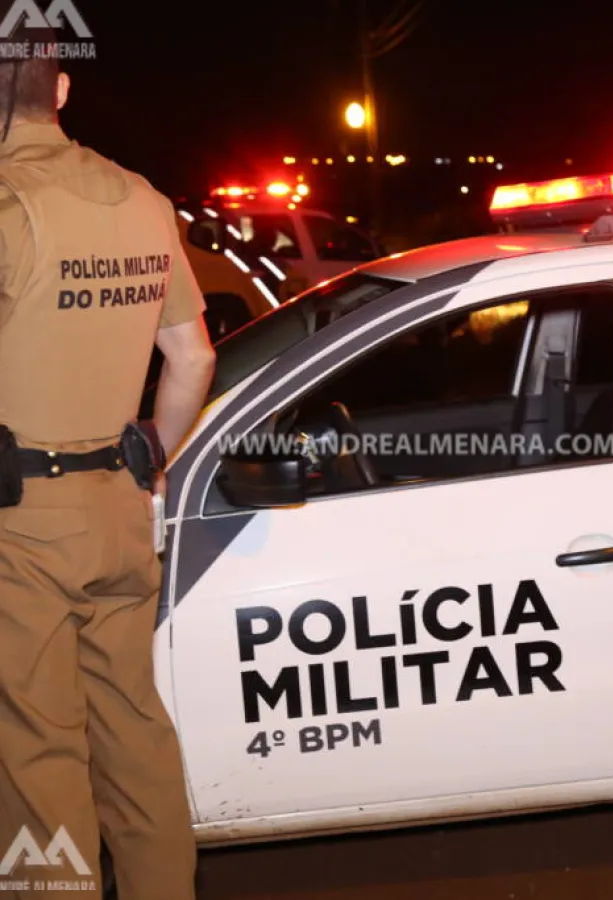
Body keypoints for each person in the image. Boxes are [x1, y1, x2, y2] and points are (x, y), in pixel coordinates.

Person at [0, 24, 215, 900]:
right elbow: (193, 359)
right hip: (121, 507)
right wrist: (149, 462)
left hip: (21, 523)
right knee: (134, 732)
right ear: (61, 91)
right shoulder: (141, 198)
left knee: (36, 752)